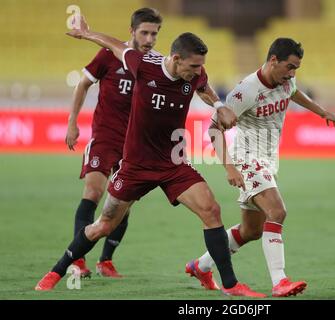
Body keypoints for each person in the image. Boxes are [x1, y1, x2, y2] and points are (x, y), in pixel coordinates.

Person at [35, 15, 265, 298]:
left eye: (200, 66)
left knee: (211, 209)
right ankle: (56, 271)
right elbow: (115, 46)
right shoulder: (143, 65)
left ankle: (231, 285)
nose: (197, 71)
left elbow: (203, 87)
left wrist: (219, 105)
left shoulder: (195, 74)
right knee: (104, 225)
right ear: (176, 59)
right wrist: (87, 34)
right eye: (193, 66)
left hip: (172, 162)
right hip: (135, 166)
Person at [185, 38, 335, 297]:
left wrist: (321, 111)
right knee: (277, 211)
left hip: (269, 159)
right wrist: (230, 169)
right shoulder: (246, 91)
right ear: (273, 61)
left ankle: (201, 265)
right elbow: (214, 128)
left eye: (296, 69)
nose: (293, 74)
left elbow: (293, 91)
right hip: (247, 157)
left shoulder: (286, 81)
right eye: (290, 67)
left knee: (251, 230)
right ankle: (280, 281)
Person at [65, 7, 163, 279]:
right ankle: (78, 260)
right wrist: (73, 122)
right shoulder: (109, 54)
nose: (149, 39)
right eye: (144, 32)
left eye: (154, 34)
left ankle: (105, 260)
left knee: (122, 203)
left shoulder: (157, 63)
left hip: (135, 144)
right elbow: (83, 84)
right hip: (105, 136)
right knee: (93, 193)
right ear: (132, 31)